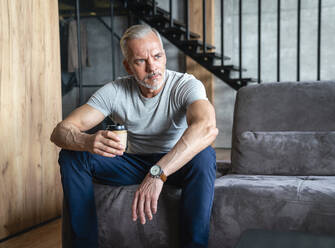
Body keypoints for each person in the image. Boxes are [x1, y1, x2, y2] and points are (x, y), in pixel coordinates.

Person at [50, 24, 218, 248]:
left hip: (173, 164)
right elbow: (60, 131)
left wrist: (157, 174)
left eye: (157, 56)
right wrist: (87, 141)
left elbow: (207, 128)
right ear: (128, 66)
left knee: (204, 156)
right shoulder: (115, 91)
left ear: (164, 57)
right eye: (141, 61)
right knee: (72, 156)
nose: (152, 67)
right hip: (131, 162)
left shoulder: (185, 85)